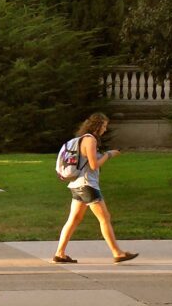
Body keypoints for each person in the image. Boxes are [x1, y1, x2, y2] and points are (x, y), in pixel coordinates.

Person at [53, 113, 138, 264]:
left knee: (73, 219)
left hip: (76, 185)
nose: (105, 129)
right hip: (87, 186)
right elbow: (94, 165)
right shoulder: (90, 140)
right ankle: (117, 253)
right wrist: (109, 154)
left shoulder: (80, 139)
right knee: (104, 218)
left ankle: (60, 254)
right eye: (104, 126)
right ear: (97, 126)